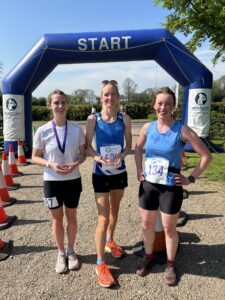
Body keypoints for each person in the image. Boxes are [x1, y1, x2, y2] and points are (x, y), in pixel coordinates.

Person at [135, 87, 212, 286]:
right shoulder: (147, 127)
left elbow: (206, 155)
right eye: (160, 103)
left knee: (169, 228)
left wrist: (190, 179)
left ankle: (170, 264)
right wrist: (138, 170)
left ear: (173, 106)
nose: (163, 107)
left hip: (170, 187)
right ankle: (148, 257)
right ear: (154, 105)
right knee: (146, 225)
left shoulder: (182, 129)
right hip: (149, 185)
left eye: (168, 103)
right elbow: (137, 149)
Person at [32, 90, 86, 274]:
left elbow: (83, 154)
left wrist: (75, 164)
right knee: (56, 219)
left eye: (63, 102)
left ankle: (71, 251)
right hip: (52, 181)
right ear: (50, 105)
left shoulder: (77, 129)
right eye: (56, 103)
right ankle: (60, 252)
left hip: (72, 180)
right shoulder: (42, 130)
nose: (60, 106)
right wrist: (50, 164)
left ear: (67, 105)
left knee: (71, 217)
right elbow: (34, 157)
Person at [86, 80, 132, 287]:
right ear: (100, 97)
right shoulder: (92, 119)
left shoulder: (125, 118)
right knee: (103, 218)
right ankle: (99, 263)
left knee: (115, 210)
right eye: (106, 94)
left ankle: (109, 241)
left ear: (117, 97)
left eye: (113, 94)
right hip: (101, 172)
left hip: (119, 171)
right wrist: (96, 158)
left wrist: (121, 156)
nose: (109, 98)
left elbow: (129, 145)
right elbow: (88, 147)